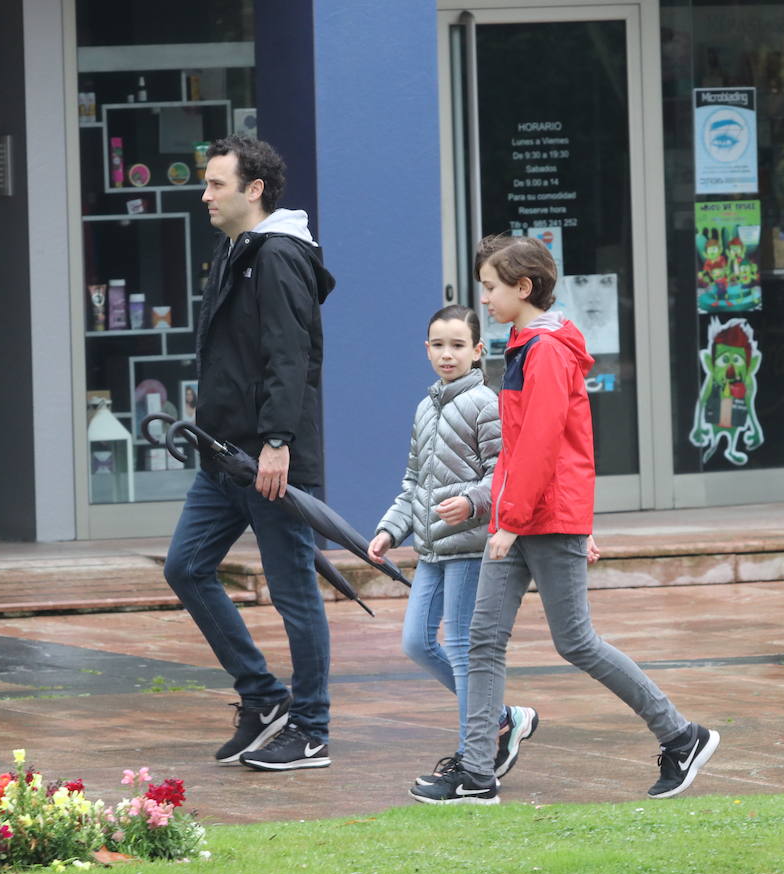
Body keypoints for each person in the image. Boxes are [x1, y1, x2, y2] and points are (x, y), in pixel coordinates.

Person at [410, 235, 720, 805]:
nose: (485, 299)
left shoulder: (546, 349)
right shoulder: (525, 342)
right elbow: (516, 446)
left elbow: (544, 445)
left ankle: (681, 735)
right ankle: (478, 774)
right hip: (527, 517)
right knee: (481, 643)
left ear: (523, 288)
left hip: (542, 521)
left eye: (491, 287)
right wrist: (501, 512)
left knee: (576, 642)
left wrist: (512, 521)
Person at [163, 135, 336, 771]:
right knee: (185, 567)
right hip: (224, 457)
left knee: (294, 593)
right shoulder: (234, 251)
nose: (204, 194)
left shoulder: (281, 254)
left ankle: (312, 729)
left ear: (253, 189)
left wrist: (278, 443)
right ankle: (263, 698)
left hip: (270, 459)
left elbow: (291, 358)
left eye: (216, 184)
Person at [368, 305, 539, 788]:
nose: (448, 354)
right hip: (431, 550)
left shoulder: (486, 404)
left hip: (469, 548)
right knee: (417, 643)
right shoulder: (425, 408)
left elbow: (500, 474)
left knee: (464, 651)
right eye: (439, 345)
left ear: (478, 351)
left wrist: (469, 501)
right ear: (426, 349)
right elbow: (413, 482)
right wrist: (390, 529)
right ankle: (503, 715)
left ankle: (473, 755)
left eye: (458, 345)